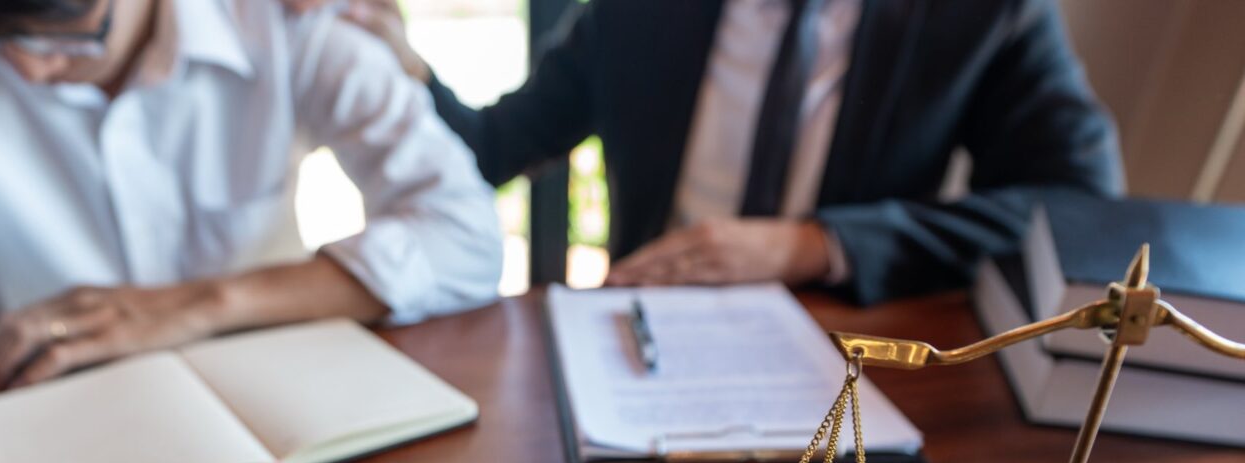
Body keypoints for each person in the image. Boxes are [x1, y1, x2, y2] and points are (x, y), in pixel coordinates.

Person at [0, 0, 502, 408]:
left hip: (283, 407)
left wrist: (192, 306)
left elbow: (467, 236)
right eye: (2, 35)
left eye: (75, 26)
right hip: (62, 432)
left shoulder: (285, 25)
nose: (29, 65)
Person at [293, 0, 1123, 303]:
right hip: (645, 331)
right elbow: (490, 150)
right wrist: (407, 67)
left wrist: (816, 245)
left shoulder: (986, 15)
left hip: (850, 354)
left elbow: (1086, 215)